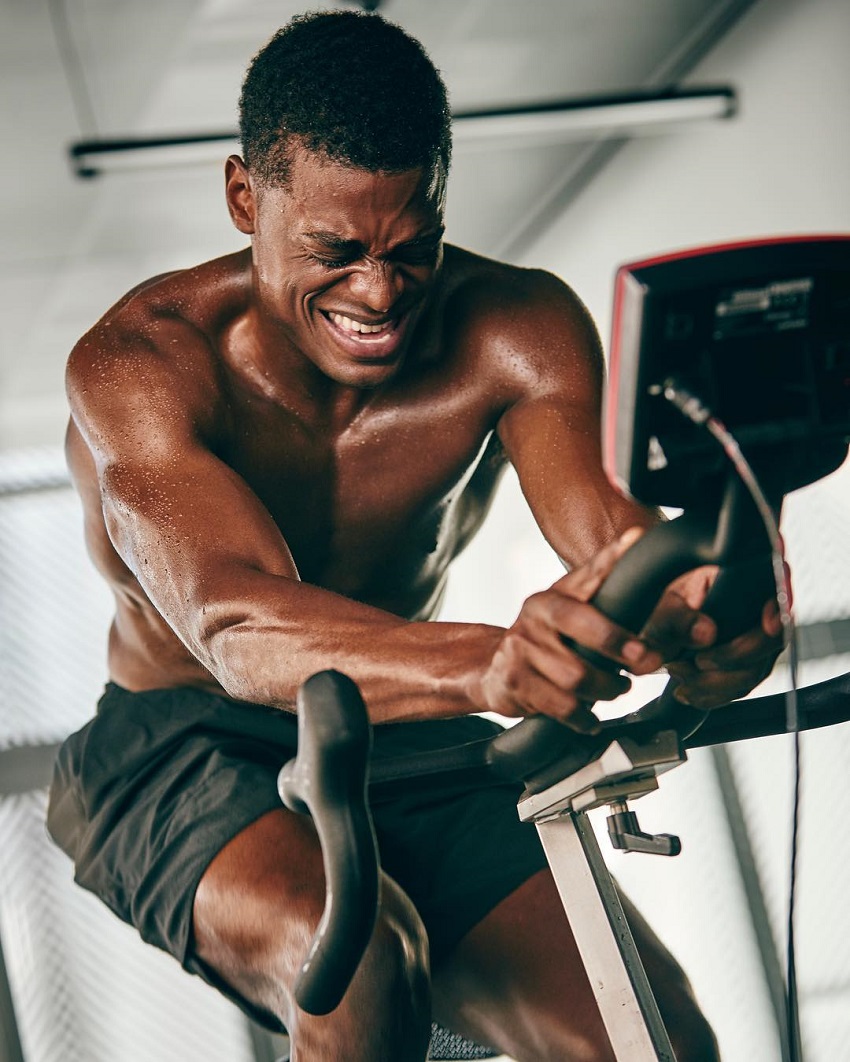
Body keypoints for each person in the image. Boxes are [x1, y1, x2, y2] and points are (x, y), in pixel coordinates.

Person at [47, 10, 782, 1061]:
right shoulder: (142, 365)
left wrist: (698, 628)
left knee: (649, 1035)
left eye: (412, 246)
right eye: (334, 252)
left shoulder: (514, 328)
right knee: (356, 962)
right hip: (185, 739)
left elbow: (610, 544)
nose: (379, 293)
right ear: (244, 197)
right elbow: (237, 627)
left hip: (404, 725)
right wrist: (493, 663)